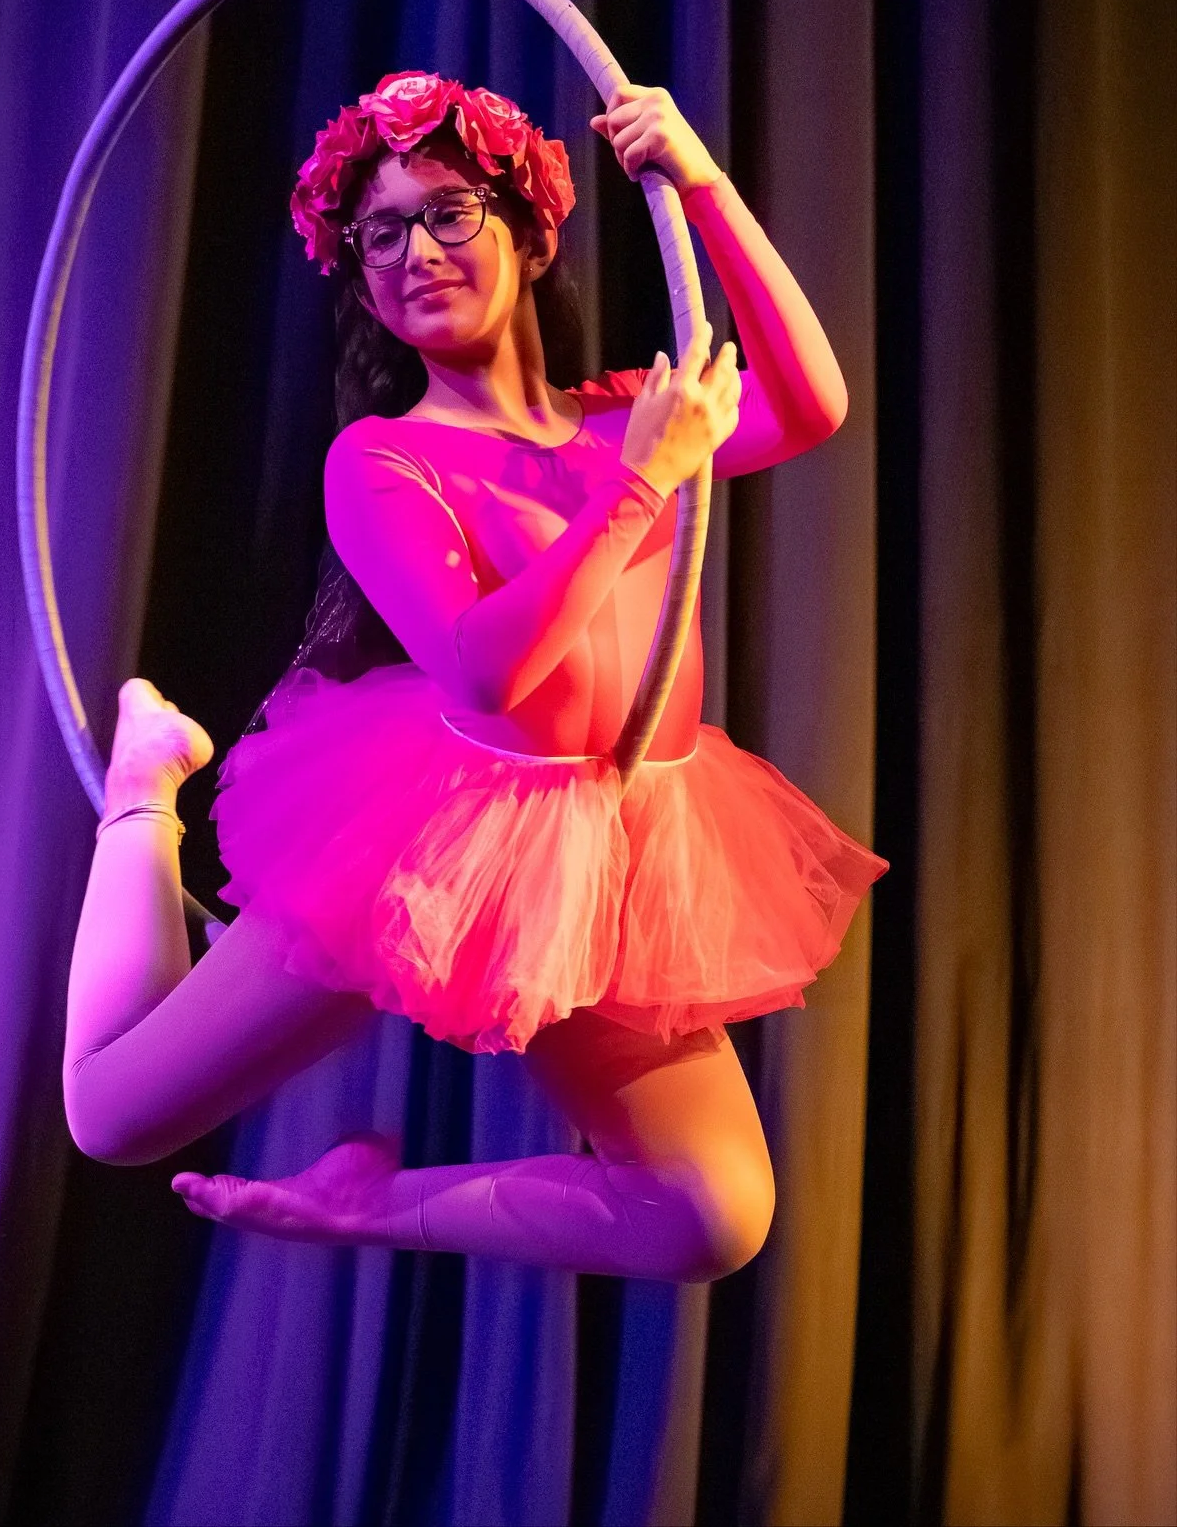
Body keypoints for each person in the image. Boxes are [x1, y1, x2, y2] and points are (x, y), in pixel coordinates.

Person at [62, 72, 887, 1283]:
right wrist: (642, 485)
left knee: (711, 1211)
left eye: (448, 212)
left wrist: (701, 186)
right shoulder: (387, 458)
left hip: (614, 849)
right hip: (430, 846)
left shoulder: (619, 419)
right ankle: (144, 784)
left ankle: (367, 1204)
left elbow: (812, 401)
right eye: (379, 231)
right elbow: (486, 670)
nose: (412, 252)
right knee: (112, 1115)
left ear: (532, 231)